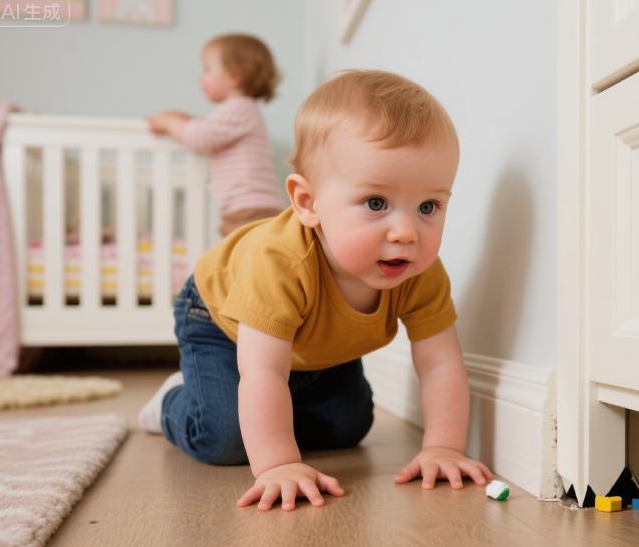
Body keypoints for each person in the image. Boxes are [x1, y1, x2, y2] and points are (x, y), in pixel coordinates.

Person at [138, 69, 494, 511]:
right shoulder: (280, 263)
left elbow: (440, 364)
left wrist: (443, 447)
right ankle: (174, 401)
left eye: (428, 207)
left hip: (315, 343)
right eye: (376, 203)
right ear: (308, 203)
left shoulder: (418, 272)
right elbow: (264, 371)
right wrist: (277, 464)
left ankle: (276, 407)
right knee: (226, 440)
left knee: (347, 426)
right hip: (221, 321)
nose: (406, 232)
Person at [147, 33, 286, 236]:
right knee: (243, 259)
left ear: (234, 77)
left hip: (252, 208)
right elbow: (208, 128)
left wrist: (168, 122)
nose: (201, 77)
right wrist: (184, 119)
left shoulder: (241, 108)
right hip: (245, 208)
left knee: (247, 261)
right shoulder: (237, 110)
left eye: (207, 69)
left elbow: (199, 136)